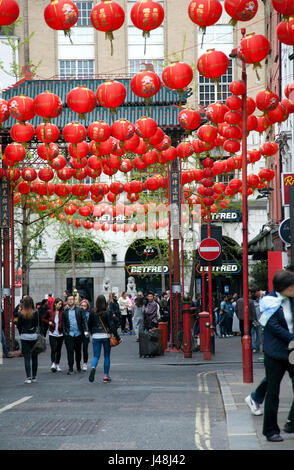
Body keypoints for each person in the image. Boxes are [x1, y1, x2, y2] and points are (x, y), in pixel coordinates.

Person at [258, 270, 294, 442]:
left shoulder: (291, 300)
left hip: (292, 351)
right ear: (282, 287)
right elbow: (272, 326)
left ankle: (292, 422)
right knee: (273, 393)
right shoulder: (268, 302)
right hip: (276, 353)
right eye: (291, 286)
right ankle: (270, 430)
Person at [88, 295, 122, 383]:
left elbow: (89, 324)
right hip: (106, 336)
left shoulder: (92, 312)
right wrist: (117, 337)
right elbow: (111, 325)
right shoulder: (108, 312)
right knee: (106, 356)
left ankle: (93, 367)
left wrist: (92, 333)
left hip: (95, 335)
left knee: (96, 356)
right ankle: (106, 376)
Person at [62, 294, 89, 375]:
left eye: (72, 299)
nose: (70, 301)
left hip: (78, 334)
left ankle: (78, 366)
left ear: (74, 301)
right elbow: (63, 324)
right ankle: (70, 368)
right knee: (70, 351)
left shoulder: (80, 310)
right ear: (67, 301)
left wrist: (85, 330)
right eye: (69, 299)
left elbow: (84, 321)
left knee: (78, 351)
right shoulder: (65, 312)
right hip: (69, 334)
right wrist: (65, 333)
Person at [17, 296, 39, 384]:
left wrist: (21, 332)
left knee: (26, 357)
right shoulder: (35, 312)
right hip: (33, 335)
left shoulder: (21, 313)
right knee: (34, 357)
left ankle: (28, 377)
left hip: (24, 336)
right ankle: (34, 376)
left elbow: (19, 325)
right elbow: (37, 324)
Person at [42, 297, 64, 372]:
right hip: (52, 333)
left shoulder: (63, 312)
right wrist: (49, 322)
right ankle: (53, 363)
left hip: (60, 333)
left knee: (59, 350)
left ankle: (57, 364)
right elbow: (43, 318)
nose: (60, 305)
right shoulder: (50, 311)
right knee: (53, 349)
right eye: (59, 304)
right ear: (55, 304)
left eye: (61, 304)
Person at [79, 299, 91, 371]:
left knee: (85, 349)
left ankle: (85, 363)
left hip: (86, 333)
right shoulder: (77, 313)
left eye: (85, 306)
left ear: (87, 307)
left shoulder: (88, 314)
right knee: (78, 349)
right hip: (78, 333)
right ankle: (78, 362)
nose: (83, 307)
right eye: (82, 305)